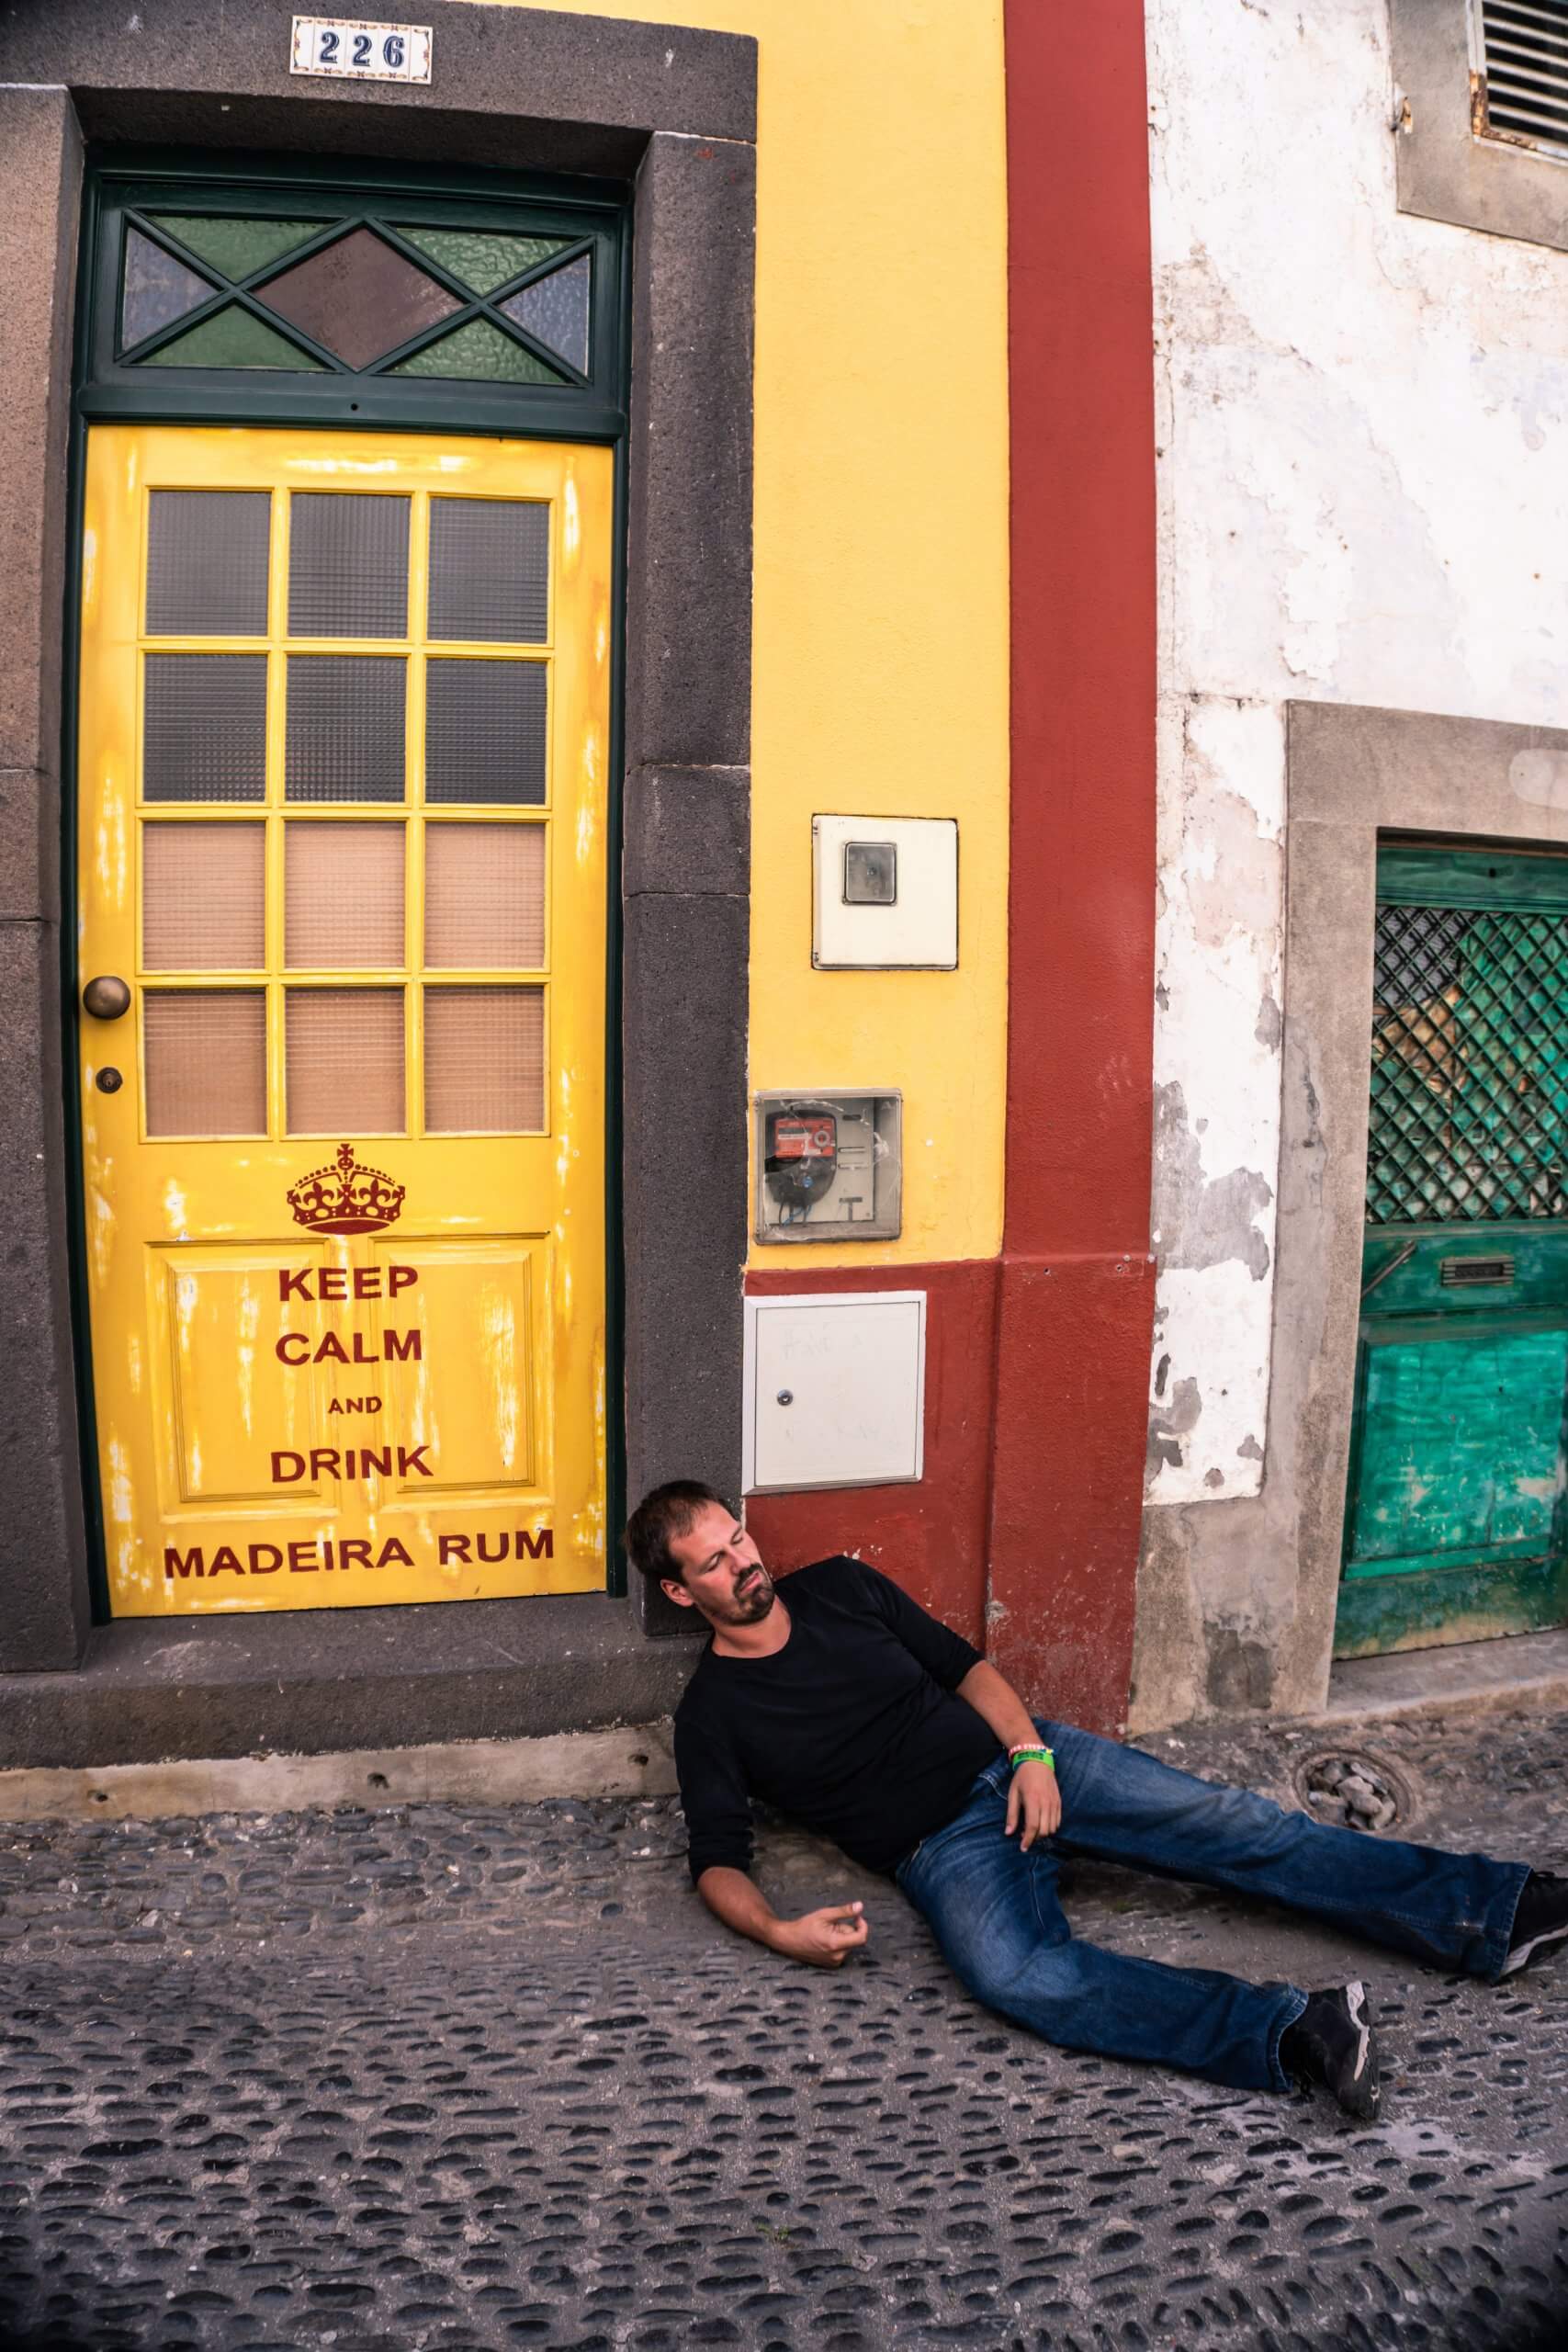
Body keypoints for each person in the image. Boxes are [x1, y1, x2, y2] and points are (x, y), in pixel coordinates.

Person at [626, 1480, 1568, 2120]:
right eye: (713, 1562)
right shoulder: (713, 1713)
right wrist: (779, 1930)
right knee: (1015, 1976)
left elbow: (965, 1667)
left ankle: (1496, 1911)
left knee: (1236, 1827)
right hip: (944, 1848)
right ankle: (1298, 2027)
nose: (743, 1563)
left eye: (738, 1538)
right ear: (678, 1589)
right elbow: (716, 1860)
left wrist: (1031, 1753)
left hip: (1030, 1762)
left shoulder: (840, 1585)